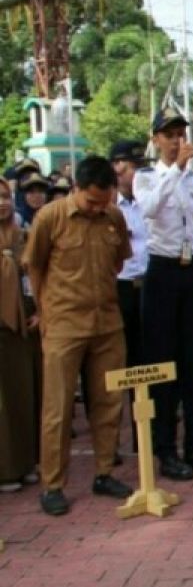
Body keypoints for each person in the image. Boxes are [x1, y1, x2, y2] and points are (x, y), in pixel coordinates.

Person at [22, 156, 134, 516]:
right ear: (75, 189)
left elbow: (119, 262)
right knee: (58, 407)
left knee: (110, 401)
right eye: (92, 201)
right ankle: (53, 484)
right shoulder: (50, 218)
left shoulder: (114, 218)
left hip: (107, 323)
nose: (98, 208)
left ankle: (104, 472)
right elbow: (35, 265)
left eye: (104, 201)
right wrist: (45, 311)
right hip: (64, 325)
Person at [135, 109, 193, 480]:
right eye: (169, 134)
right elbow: (149, 209)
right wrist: (174, 170)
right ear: (156, 139)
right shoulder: (147, 177)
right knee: (164, 364)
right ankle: (166, 449)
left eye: (180, 134)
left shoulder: (192, 181)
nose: (176, 140)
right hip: (162, 271)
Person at [0, 179, 39, 492]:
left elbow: (39, 275)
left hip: (23, 329)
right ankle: (5, 470)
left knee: (24, 397)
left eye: (4, 196)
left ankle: (26, 463)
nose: (2, 203)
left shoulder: (22, 236)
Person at [110, 141, 149, 456]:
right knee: (119, 367)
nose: (139, 172)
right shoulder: (107, 207)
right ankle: (112, 443)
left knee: (151, 362)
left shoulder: (147, 201)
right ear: (118, 168)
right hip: (119, 289)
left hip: (149, 287)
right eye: (134, 166)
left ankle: (146, 438)